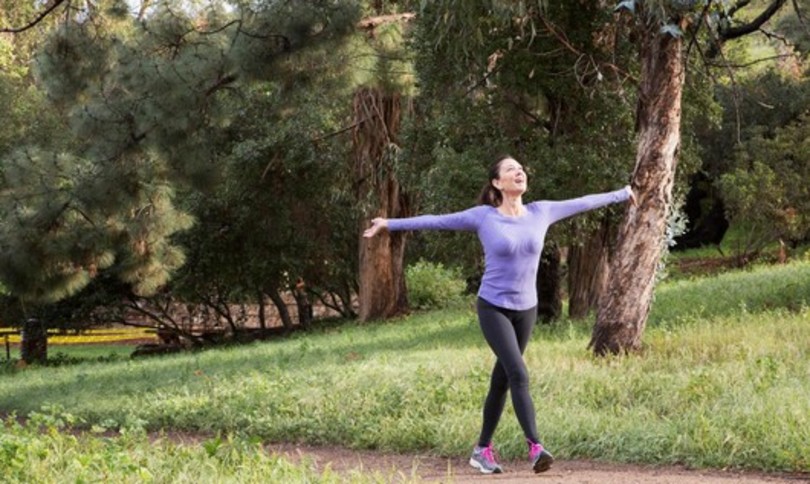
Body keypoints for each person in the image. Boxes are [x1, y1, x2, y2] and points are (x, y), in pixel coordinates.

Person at [363, 155, 635, 474]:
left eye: (521, 168)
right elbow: (436, 220)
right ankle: (536, 447)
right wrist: (388, 224)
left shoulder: (541, 211)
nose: (519, 171)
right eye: (511, 170)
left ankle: (482, 449)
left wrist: (622, 193)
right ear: (497, 183)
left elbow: (584, 201)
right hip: (493, 307)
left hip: (527, 309)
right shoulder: (483, 217)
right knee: (518, 373)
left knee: (502, 380)